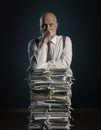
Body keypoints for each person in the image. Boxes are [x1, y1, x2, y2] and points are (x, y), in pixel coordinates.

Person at [27, 12, 73, 76]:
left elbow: (65, 63)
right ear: (40, 27)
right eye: (44, 25)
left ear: (56, 25)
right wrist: (44, 41)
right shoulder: (33, 43)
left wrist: (43, 66)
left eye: (51, 24)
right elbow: (36, 66)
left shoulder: (66, 41)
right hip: (39, 84)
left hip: (61, 84)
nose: (48, 29)